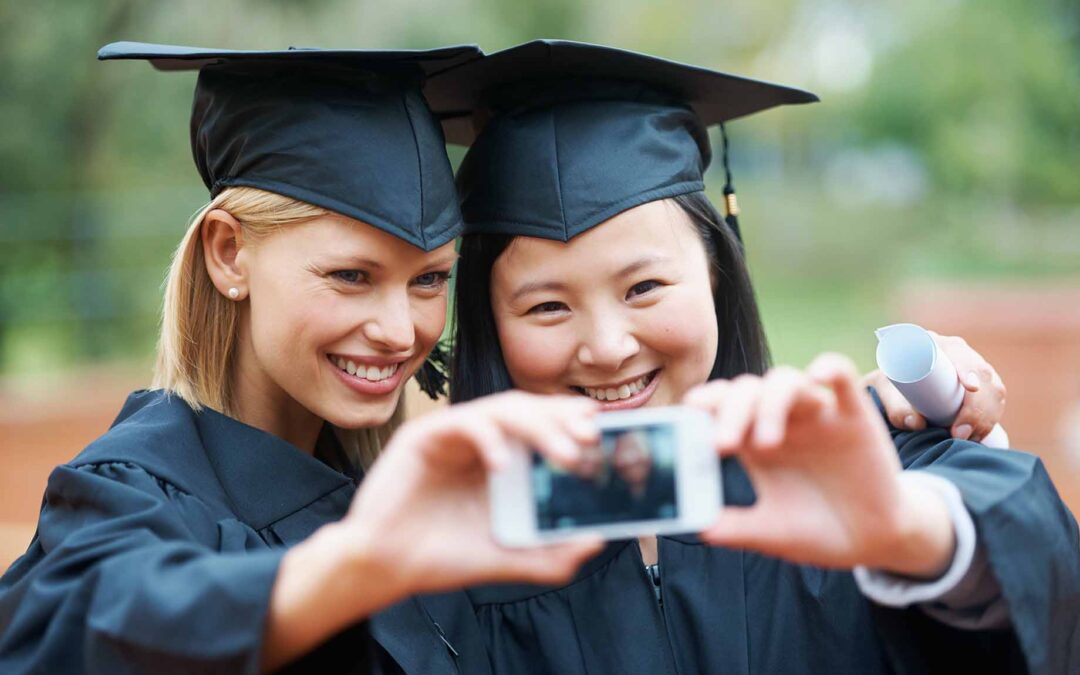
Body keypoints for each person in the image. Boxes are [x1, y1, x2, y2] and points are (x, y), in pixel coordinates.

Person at [428, 40, 1079, 674]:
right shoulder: (446, 556)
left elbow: (1035, 554)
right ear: (490, 318)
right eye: (547, 306)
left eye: (644, 287)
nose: (605, 347)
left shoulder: (846, 464)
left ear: (717, 271)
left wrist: (908, 530)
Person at [0, 42, 604, 674]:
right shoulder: (133, 493)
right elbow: (80, 631)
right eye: (350, 275)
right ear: (230, 253)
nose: (401, 332)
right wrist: (356, 564)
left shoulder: (389, 482)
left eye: (428, 280)